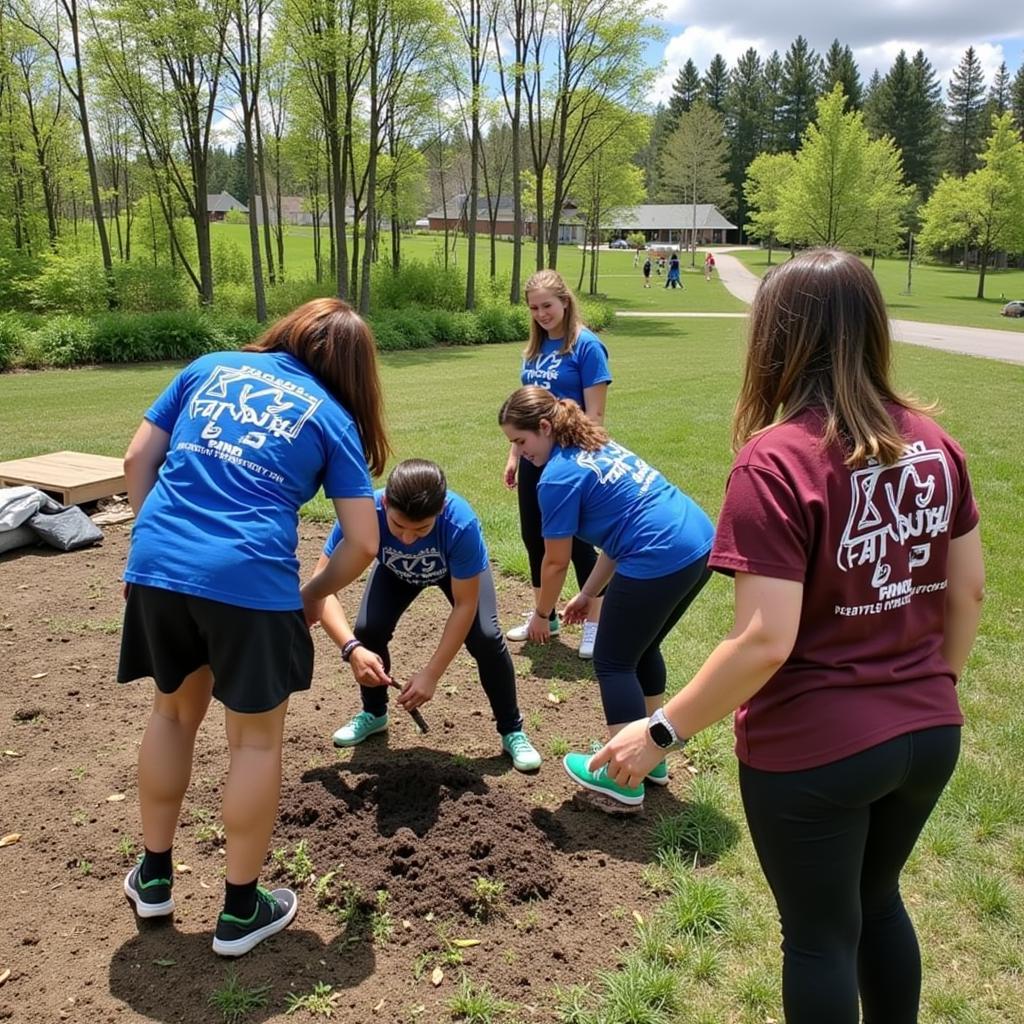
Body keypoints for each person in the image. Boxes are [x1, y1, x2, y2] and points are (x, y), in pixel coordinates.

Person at [588, 249, 984, 1022]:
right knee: (878, 904)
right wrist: (935, 689)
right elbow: (967, 589)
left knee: (818, 939)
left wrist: (660, 731)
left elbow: (766, 639)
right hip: (930, 734)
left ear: (776, 337)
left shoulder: (777, 459)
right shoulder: (937, 443)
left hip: (815, 751)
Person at [118, 298, 389, 957]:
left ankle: (153, 877)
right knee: (255, 746)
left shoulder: (208, 367)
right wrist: (311, 594)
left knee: (173, 716)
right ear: (355, 371)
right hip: (251, 581)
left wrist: (166, 542)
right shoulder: (332, 416)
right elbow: (363, 541)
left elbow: (134, 463)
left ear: (290, 330)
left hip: (157, 566)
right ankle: (241, 911)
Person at [499, 386, 714, 807]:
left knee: (613, 661)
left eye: (520, 441)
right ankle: (653, 759)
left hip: (658, 553)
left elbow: (554, 561)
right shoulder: (596, 443)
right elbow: (618, 534)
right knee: (643, 646)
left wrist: (544, 614)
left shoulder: (557, 477)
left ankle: (623, 775)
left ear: (544, 427)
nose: (520, 452)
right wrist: (589, 593)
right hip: (699, 542)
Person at [314, 458, 542, 772]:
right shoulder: (363, 515)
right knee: (368, 630)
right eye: (398, 527)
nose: (408, 539)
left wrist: (431, 675)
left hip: (457, 574)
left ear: (440, 510)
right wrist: (351, 648)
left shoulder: (460, 523)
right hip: (395, 573)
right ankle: (374, 714)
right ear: (384, 503)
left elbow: (465, 605)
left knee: (486, 637)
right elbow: (320, 588)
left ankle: (512, 730)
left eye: (421, 529)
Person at [504, 269, 611, 659]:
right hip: (535, 457)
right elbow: (523, 410)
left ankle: (596, 624)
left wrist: (576, 460)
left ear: (565, 301)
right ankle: (543, 615)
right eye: (534, 308)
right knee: (534, 536)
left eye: (547, 305)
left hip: (570, 461)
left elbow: (595, 414)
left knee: (578, 542)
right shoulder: (533, 350)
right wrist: (515, 454)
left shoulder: (587, 347)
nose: (541, 314)